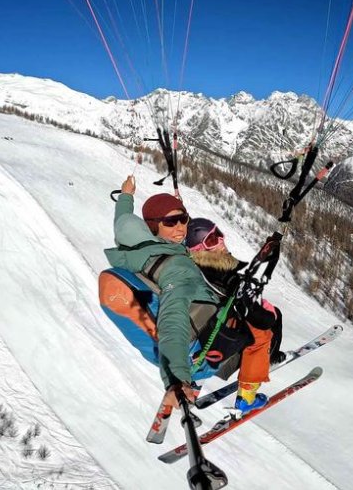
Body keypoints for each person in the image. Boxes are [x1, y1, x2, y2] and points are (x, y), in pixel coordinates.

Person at [103, 175, 214, 406]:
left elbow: (123, 220)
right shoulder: (175, 266)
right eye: (171, 223)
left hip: (175, 348)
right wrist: (176, 379)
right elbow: (173, 319)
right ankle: (247, 393)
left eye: (184, 219)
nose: (181, 228)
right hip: (200, 350)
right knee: (263, 322)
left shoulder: (133, 246)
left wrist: (126, 196)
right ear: (154, 226)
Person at [185, 217, 286, 413]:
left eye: (218, 234)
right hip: (215, 335)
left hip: (201, 329)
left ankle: (194, 387)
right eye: (212, 240)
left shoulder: (196, 265)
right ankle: (247, 396)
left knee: (213, 334)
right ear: (199, 250)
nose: (221, 241)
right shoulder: (220, 273)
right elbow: (262, 319)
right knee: (262, 335)